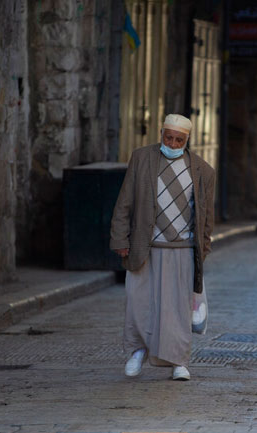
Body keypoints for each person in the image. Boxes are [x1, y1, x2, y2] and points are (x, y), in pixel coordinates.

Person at [110, 113, 216, 381]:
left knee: (178, 308)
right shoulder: (142, 158)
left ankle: (179, 361)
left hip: (182, 248)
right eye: (168, 137)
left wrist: (203, 249)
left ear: (187, 140)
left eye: (178, 139)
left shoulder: (203, 171)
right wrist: (120, 240)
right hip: (145, 246)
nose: (172, 142)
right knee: (139, 302)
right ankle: (137, 352)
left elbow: (206, 215)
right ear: (161, 134)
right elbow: (125, 202)